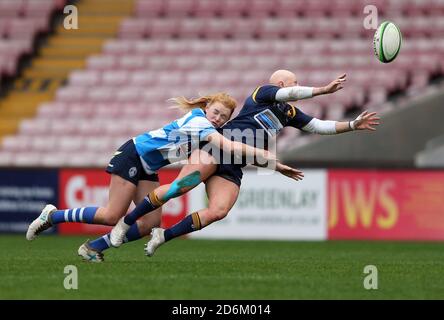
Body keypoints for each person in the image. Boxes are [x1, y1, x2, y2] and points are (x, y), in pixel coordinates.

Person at [109, 70, 380, 257]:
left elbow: (320, 126)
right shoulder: (263, 92)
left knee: (218, 211)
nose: (294, 88)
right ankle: (126, 222)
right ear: (281, 85)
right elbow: (289, 93)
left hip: (235, 164)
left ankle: (163, 237)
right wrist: (321, 90)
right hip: (216, 150)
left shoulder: (290, 113)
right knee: (179, 188)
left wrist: (353, 124)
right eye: (292, 84)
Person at [25, 92, 280, 262]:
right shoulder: (199, 120)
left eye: (224, 117)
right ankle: (53, 216)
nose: (218, 118)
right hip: (134, 154)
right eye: (216, 112)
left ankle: (94, 248)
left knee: (149, 224)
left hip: (148, 166)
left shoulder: (208, 127)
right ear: (206, 107)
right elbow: (230, 146)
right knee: (111, 215)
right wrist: (270, 160)